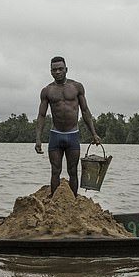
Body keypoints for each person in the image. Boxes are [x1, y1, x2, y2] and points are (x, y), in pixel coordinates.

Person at [34, 56, 102, 196]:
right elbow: (41, 115)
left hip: (73, 135)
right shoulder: (47, 91)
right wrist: (38, 139)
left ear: (66, 70)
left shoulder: (76, 87)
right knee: (55, 171)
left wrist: (94, 134)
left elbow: (85, 111)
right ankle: (54, 202)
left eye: (60, 69)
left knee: (73, 171)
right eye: (54, 70)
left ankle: (73, 202)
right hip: (55, 135)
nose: (58, 72)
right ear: (51, 72)